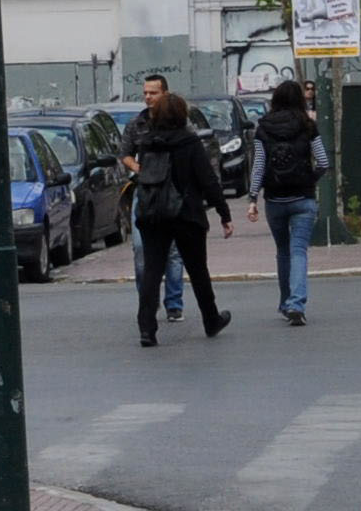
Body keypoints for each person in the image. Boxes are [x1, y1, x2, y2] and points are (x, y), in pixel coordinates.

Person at [124, 78, 232, 349]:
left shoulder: (148, 142)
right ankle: (211, 318)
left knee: (152, 270)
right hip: (187, 214)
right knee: (197, 270)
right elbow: (208, 180)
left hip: (153, 213)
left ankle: (147, 328)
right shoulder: (189, 142)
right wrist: (223, 212)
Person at [252, 77, 326, 325]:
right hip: (303, 197)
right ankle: (297, 304)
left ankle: (285, 303)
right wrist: (311, 179)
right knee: (298, 251)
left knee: (282, 251)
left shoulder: (262, 128)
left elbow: (259, 165)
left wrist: (253, 196)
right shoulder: (308, 125)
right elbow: (323, 161)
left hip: (274, 198)